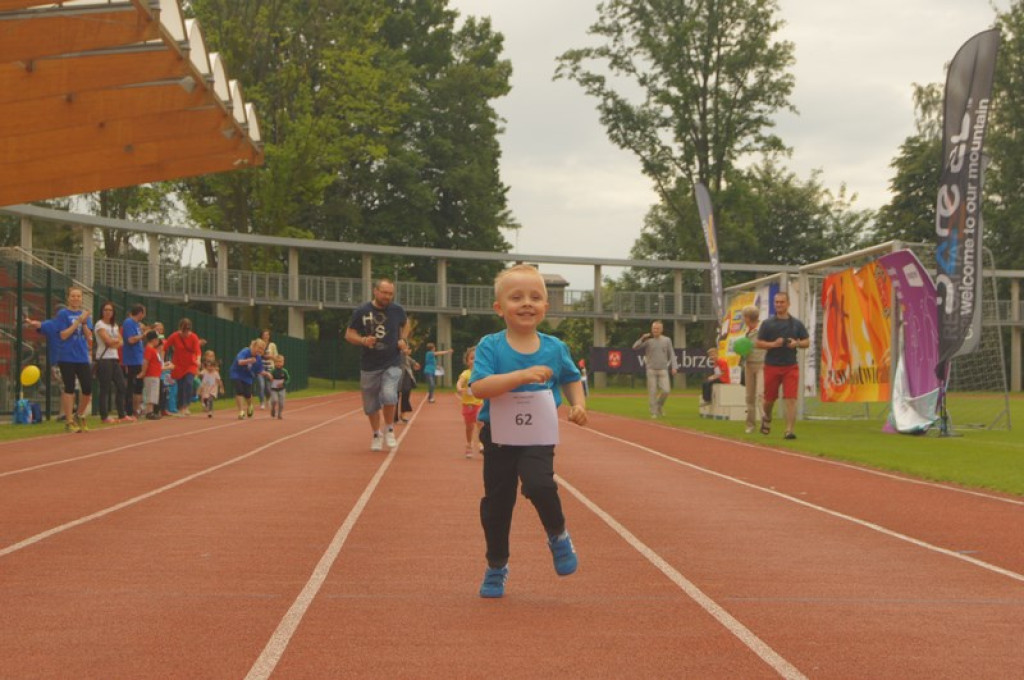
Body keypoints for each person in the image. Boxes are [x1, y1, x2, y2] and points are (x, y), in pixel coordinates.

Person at [469, 264, 588, 599]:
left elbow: (570, 378)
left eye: (535, 297)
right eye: (516, 297)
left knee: (539, 484)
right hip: (499, 436)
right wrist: (520, 377)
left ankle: (558, 534)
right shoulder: (491, 346)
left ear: (545, 307)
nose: (526, 303)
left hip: (538, 433)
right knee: (497, 505)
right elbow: (479, 387)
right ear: (499, 308)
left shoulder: (555, 347)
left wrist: (578, 404)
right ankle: (496, 566)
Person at [344, 277, 410, 451]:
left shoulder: (397, 310)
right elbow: (349, 334)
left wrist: (403, 339)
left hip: (392, 361)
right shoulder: (362, 311)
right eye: (384, 293)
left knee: (389, 394)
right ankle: (376, 434)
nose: (387, 297)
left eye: (390, 294)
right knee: (370, 405)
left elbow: (406, 324)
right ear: (375, 291)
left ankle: (389, 429)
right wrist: (363, 340)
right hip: (369, 364)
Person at [756, 291, 809, 440]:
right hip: (772, 365)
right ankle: (767, 417)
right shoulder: (767, 324)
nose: (779, 305)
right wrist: (774, 344)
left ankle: (789, 430)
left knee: (791, 399)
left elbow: (806, 342)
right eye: (777, 302)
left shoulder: (796, 323)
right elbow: (758, 343)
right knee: (769, 400)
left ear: (788, 304)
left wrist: (796, 343)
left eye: (782, 302)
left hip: (790, 366)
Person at [55, 287, 94, 433]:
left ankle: (79, 414)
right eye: (73, 296)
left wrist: (84, 323)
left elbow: (89, 337)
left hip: (82, 356)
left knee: (87, 388)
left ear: (81, 298)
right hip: (66, 356)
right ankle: (69, 420)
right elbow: (63, 335)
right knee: (69, 387)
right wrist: (77, 321)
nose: (76, 298)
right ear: (68, 298)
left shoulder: (85, 315)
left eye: (78, 296)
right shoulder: (63, 314)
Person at [632, 320, 678, 418]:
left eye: (657, 328)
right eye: (654, 328)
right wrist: (642, 338)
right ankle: (654, 412)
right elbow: (635, 347)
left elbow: (672, 354)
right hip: (651, 369)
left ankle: (659, 405)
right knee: (652, 392)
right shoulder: (648, 341)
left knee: (666, 390)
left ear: (661, 330)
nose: (655, 330)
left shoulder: (667, 340)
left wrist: (674, 367)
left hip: (663, 369)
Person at [93, 301, 129, 424]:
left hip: (114, 358)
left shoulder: (115, 325)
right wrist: (115, 341)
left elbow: (121, 342)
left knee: (122, 386)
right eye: (105, 310)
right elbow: (107, 341)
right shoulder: (100, 324)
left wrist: (115, 342)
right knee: (105, 388)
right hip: (104, 359)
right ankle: (104, 416)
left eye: (110, 310)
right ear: (102, 311)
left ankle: (122, 414)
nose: (108, 312)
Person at [164, 317, 202, 416]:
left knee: (188, 383)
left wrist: (198, 360)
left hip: (190, 364)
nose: (186, 333)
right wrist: (162, 360)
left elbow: (198, 351)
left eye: (188, 330)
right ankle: (181, 406)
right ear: (180, 328)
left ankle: (186, 406)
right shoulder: (174, 336)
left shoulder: (193, 337)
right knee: (180, 387)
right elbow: (165, 346)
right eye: (184, 330)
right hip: (178, 365)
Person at [740, 305, 766, 434]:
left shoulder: (763, 329)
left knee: (761, 394)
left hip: (762, 364)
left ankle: (764, 422)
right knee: (749, 396)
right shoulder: (746, 331)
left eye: (744, 317)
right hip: (749, 365)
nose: (743, 319)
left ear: (748, 317)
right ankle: (750, 425)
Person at [230, 339, 271, 420]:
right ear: (254, 346)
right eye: (259, 348)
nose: (260, 350)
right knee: (239, 391)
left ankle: (249, 405)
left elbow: (259, 370)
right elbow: (240, 362)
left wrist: (267, 374)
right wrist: (249, 360)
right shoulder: (245, 351)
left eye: (262, 349)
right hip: (237, 373)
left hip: (247, 376)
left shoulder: (258, 358)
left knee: (248, 394)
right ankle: (241, 411)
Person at [455, 345, 483, 458]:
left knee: (480, 424)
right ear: (467, 362)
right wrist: (459, 388)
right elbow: (460, 382)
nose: (474, 360)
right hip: (468, 405)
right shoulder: (466, 373)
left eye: (477, 358)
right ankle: (469, 444)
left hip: (479, 403)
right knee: (469, 427)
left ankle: (481, 444)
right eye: (472, 358)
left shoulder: (482, 373)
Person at [121, 304, 147, 418]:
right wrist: (143, 335)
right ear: (140, 313)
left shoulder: (136, 324)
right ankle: (129, 410)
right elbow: (130, 340)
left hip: (138, 358)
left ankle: (136, 409)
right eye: (144, 313)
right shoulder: (129, 323)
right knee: (131, 385)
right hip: (131, 359)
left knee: (139, 386)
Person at [138, 330, 165, 420]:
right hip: (151, 375)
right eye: (157, 339)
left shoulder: (153, 349)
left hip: (155, 375)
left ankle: (151, 411)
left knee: (153, 394)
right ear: (153, 340)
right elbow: (146, 361)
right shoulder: (149, 349)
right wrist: (143, 372)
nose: (158, 341)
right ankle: (149, 412)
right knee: (151, 393)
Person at [395, 346, 420, 424]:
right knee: (395, 397)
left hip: (406, 377)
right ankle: (394, 416)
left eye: (409, 348)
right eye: (406, 348)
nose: (409, 350)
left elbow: (411, 360)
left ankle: (403, 414)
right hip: (396, 377)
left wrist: (415, 364)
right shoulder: (397, 354)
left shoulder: (407, 357)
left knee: (406, 394)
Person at [257, 328, 277, 410]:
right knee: (261, 385)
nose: (266, 336)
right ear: (261, 336)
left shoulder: (272, 345)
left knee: (268, 387)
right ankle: (262, 402)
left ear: (269, 336)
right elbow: (255, 353)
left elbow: (276, 357)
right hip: (260, 368)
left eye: (267, 335)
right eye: (264, 335)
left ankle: (268, 399)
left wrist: (270, 356)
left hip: (269, 368)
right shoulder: (258, 343)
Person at [268, 354, 290, 419]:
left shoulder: (284, 371)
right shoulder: (272, 371)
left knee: (281, 403)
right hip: (273, 389)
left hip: (282, 389)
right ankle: (273, 409)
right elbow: (268, 378)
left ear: (283, 363)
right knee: (274, 400)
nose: (278, 363)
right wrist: (270, 378)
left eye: (280, 362)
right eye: (277, 362)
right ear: (274, 363)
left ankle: (280, 413)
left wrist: (284, 383)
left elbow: (288, 379)